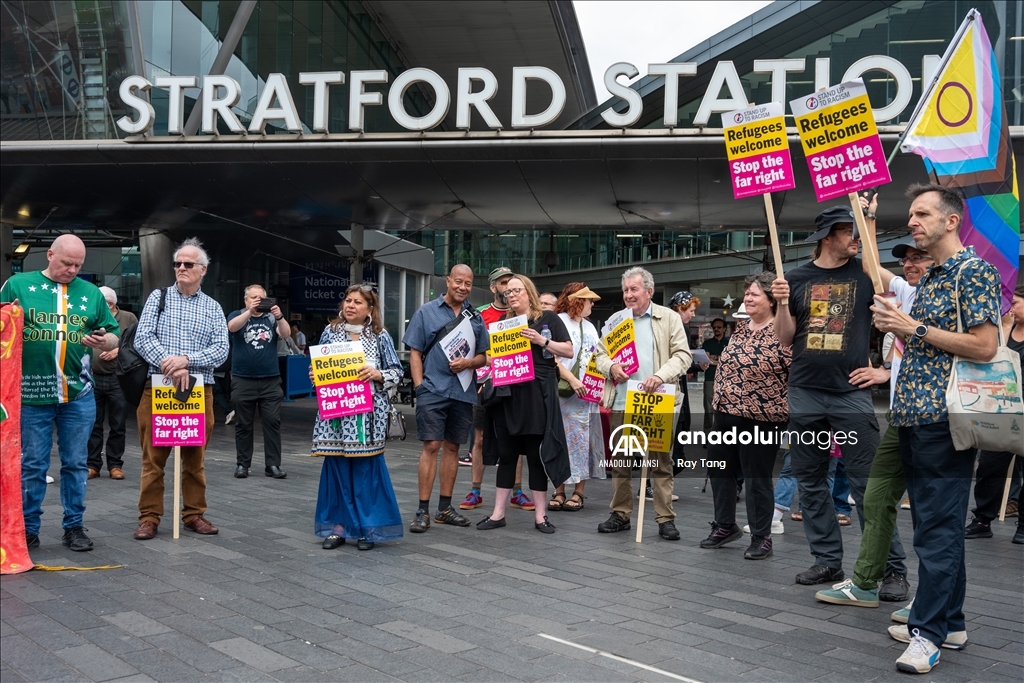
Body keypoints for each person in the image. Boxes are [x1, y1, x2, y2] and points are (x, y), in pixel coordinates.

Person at [871, 184, 1001, 673]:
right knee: (933, 525)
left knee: (938, 530)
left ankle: (927, 633)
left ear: (951, 220)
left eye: (921, 214)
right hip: (914, 416)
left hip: (945, 419)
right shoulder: (932, 276)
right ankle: (953, 621)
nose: (912, 222)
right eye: (910, 214)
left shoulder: (973, 271)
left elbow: (985, 346)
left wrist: (912, 329)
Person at [815, 226, 932, 610]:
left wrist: (909, 328)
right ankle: (865, 583)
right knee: (876, 496)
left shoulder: (945, 296)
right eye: (905, 258)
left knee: (932, 509)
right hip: (902, 415)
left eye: (918, 257)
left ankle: (932, 602)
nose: (908, 264)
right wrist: (866, 218)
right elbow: (868, 263)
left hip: (934, 416)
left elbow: (976, 347)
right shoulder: (907, 290)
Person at [770, 205, 885, 586]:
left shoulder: (865, 274)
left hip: (850, 393)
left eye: (856, 231)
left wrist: (867, 217)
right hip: (804, 392)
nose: (854, 237)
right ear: (826, 235)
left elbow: (890, 299)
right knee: (810, 480)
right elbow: (785, 337)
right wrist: (783, 303)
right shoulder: (798, 278)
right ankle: (827, 559)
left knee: (867, 483)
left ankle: (889, 568)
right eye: (847, 230)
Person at [1, 235, 120, 552]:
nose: (72, 270)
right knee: (33, 464)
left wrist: (103, 341)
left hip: (77, 393)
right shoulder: (17, 285)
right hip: (30, 394)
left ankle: (74, 526)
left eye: (78, 265)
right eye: (67, 263)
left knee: (76, 463)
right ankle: (28, 528)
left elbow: (112, 336)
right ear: (49, 254)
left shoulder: (90, 293)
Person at [132, 237, 229, 541]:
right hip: (158, 387)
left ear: (203, 269)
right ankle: (149, 516)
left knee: (195, 458)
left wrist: (187, 360)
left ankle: (194, 514)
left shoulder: (213, 308)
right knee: (153, 458)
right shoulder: (157, 298)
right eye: (177, 263)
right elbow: (143, 339)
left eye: (188, 264)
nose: (181, 268)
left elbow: (221, 350)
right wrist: (170, 364)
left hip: (200, 391)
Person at [595, 267, 692, 540]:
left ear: (648, 291)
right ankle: (620, 514)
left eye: (633, 289)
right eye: (625, 290)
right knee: (622, 462)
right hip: (622, 401)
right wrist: (612, 366)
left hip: (656, 400)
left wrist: (660, 376)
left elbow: (683, 356)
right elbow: (599, 356)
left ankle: (665, 519)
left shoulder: (669, 318)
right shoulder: (616, 320)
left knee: (661, 460)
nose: (628, 295)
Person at [699, 272, 791, 559]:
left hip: (761, 418)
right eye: (746, 294)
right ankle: (725, 525)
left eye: (754, 294)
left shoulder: (783, 331)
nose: (747, 298)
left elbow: (794, 373)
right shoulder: (740, 328)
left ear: (772, 300)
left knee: (756, 478)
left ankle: (762, 536)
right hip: (725, 413)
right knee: (719, 471)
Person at [476, 275, 573, 533]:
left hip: (536, 396)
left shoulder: (548, 319)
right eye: (508, 293)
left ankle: (541, 517)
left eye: (516, 290)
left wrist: (541, 340)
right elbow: (491, 357)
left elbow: (568, 350)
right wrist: (486, 365)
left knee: (535, 456)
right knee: (506, 455)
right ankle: (498, 514)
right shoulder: (503, 323)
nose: (512, 296)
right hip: (508, 395)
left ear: (528, 292)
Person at [313, 285, 404, 551]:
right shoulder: (330, 332)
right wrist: (314, 375)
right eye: (347, 300)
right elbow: (319, 366)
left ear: (370, 309)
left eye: (357, 302)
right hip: (336, 415)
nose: (350, 305)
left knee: (366, 473)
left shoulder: (379, 335)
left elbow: (397, 372)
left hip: (367, 417)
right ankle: (338, 528)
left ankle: (369, 529)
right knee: (338, 471)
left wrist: (378, 374)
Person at [403, 264, 489, 533]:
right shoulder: (426, 312)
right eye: (458, 282)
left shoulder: (475, 317)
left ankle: (444, 509)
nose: (463, 287)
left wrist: (469, 362)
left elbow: (485, 356)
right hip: (433, 390)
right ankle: (422, 510)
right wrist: (420, 387)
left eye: (468, 284)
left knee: (452, 447)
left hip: (462, 393)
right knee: (431, 446)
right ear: (448, 281)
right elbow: (414, 353)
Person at [460, 266, 534, 512]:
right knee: (479, 437)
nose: (507, 288)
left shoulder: (522, 314)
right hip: (485, 384)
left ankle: (517, 491)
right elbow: (470, 348)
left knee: (517, 437)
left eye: (511, 284)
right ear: (493, 287)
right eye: (503, 283)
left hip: (515, 383)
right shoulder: (479, 314)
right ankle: (475, 491)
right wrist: (493, 359)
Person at [964, 282, 1024, 544]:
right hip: (1003, 411)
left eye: (1017, 302)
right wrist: (1006, 327)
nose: (1011, 307)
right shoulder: (1003, 330)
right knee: (989, 467)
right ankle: (982, 519)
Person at [548, 283, 603, 512]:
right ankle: (559, 490)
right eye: (589, 300)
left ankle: (578, 492)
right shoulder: (556, 321)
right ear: (578, 300)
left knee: (584, 443)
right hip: (563, 391)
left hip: (587, 394)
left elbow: (598, 358)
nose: (592, 304)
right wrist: (572, 379)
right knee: (560, 441)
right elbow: (550, 357)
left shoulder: (590, 327)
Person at [227, 285, 290, 479]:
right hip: (243, 378)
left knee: (272, 422)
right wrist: (250, 312)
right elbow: (232, 327)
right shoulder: (237, 315)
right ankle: (242, 464)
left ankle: (273, 465)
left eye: (261, 298)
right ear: (245, 300)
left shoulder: (270, 318)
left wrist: (279, 316)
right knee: (243, 424)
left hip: (270, 380)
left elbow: (286, 334)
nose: (257, 301)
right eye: (253, 298)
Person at [87, 286, 137, 480]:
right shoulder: (91, 315)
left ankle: (115, 464)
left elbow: (136, 344)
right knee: (94, 423)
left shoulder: (128, 318)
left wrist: (117, 351)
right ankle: (93, 465)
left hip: (118, 379)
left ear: (111, 304)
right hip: (93, 377)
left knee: (118, 424)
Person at [700, 318, 729, 433]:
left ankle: (722, 437)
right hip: (709, 379)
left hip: (726, 380)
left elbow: (729, 361)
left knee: (724, 410)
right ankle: (707, 437)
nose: (716, 329)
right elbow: (707, 360)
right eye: (714, 327)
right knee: (708, 410)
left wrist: (714, 360)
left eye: (719, 327)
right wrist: (721, 360)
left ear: (724, 329)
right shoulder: (707, 343)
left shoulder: (729, 344)